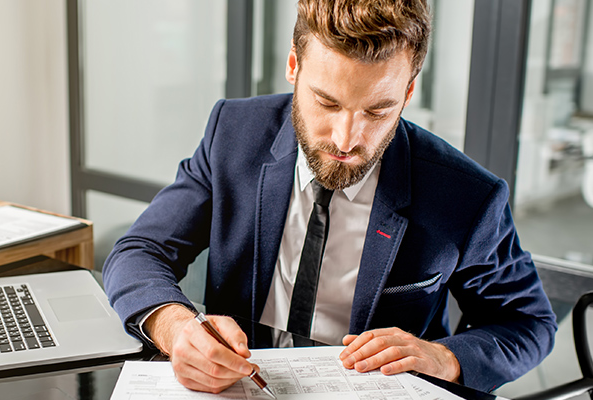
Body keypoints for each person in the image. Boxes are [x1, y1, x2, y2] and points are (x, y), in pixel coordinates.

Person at [103, 0, 557, 394]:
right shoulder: (233, 133)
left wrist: (444, 359)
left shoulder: (466, 194)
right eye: (327, 102)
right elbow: (141, 249)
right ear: (294, 67)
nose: (346, 138)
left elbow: (530, 324)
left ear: (408, 92)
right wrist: (176, 326)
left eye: (378, 111)